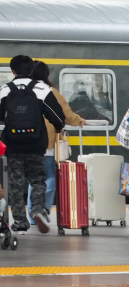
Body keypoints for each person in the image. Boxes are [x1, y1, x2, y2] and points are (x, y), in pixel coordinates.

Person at [0, 57, 65, 233]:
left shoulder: (4, 89)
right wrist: (58, 127)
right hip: (36, 144)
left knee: (15, 183)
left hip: (13, 144)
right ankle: (37, 210)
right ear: (31, 71)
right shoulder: (42, 89)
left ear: (13, 71)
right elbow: (57, 116)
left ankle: (19, 221)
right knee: (38, 179)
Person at [34, 61, 83, 211]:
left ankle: (33, 212)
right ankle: (42, 210)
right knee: (50, 177)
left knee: (34, 180)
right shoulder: (50, 92)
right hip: (47, 144)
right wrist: (79, 120)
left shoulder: (25, 92)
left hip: (29, 143)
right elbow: (66, 114)